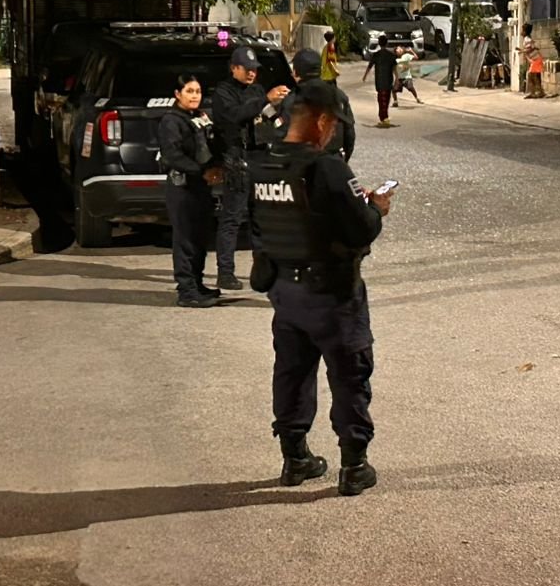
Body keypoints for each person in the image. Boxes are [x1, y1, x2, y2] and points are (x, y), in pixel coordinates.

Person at [248, 79, 392, 496]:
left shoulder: (264, 164)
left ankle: (294, 460)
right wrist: (376, 207)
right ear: (324, 121)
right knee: (350, 374)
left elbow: (260, 226)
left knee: (292, 372)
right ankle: (354, 465)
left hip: (284, 292)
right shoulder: (326, 167)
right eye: (333, 126)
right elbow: (360, 228)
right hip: (331, 293)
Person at [210, 46, 289, 291]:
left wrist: (277, 110)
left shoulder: (255, 90)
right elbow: (235, 115)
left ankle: (262, 272)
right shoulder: (223, 93)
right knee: (232, 218)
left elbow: (268, 117)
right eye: (247, 69)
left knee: (261, 219)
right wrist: (264, 100)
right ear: (234, 68)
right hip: (236, 159)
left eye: (255, 70)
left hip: (259, 157)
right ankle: (225, 272)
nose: (252, 73)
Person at [156, 74, 225, 308]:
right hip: (183, 186)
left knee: (200, 237)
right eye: (189, 91)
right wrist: (200, 171)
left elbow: (209, 146)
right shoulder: (171, 121)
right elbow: (172, 155)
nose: (195, 96)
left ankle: (197, 282)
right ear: (177, 94)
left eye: (197, 91)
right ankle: (186, 290)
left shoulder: (198, 117)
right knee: (185, 238)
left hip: (201, 186)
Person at [276, 48, 355, 159]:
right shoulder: (339, 96)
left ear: (295, 72)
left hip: (305, 163)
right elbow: (349, 133)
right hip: (334, 158)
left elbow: (282, 137)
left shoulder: (294, 99)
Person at [363, 37, 397, 127]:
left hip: (379, 81)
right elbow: (395, 69)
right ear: (386, 43)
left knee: (381, 100)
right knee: (386, 99)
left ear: (379, 43)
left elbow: (370, 66)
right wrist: (397, 79)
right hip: (388, 80)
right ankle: (384, 117)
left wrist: (365, 76)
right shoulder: (391, 55)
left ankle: (383, 117)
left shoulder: (376, 55)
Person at [522, 22, 545, 98]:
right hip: (537, 58)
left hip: (536, 59)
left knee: (531, 75)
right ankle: (540, 92)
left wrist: (523, 51)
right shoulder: (528, 38)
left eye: (522, 30)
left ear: (525, 32)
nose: (521, 32)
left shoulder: (527, 39)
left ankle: (533, 92)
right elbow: (533, 48)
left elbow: (530, 49)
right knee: (536, 75)